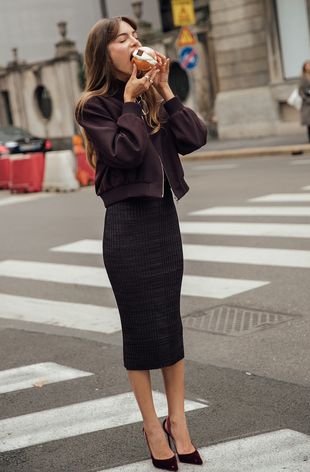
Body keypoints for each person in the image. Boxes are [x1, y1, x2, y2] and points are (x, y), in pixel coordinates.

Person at [75, 17, 207, 471]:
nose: (135, 43)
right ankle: (152, 426)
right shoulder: (93, 107)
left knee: (170, 323)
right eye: (124, 38)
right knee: (140, 329)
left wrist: (165, 91)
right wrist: (129, 102)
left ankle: (179, 423)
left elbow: (193, 139)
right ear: (104, 52)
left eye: (136, 36)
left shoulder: (152, 94)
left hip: (163, 220)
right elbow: (125, 154)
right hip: (127, 225)